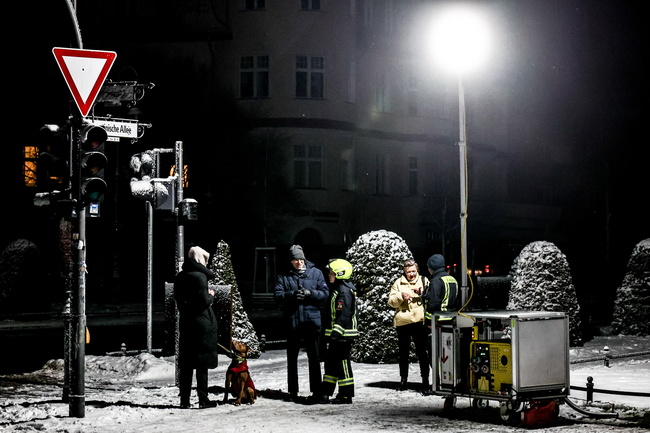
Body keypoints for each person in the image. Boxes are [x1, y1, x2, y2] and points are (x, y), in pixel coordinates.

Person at [274, 245, 329, 402]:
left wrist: (310, 293)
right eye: (295, 260)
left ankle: (316, 391)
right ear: (291, 261)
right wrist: (291, 295)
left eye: (300, 259)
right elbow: (277, 295)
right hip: (293, 322)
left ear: (304, 259)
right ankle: (293, 391)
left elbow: (325, 293)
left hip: (311, 323)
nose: (298, 263)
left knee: (314, 358)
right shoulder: (284, 276)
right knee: (292, 359)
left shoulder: (316, 273)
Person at [173, 246, 219, 409]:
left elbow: (179, 300)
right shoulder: (200, 277)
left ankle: (184, 400)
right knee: (201, 363)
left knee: (186, 363)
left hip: (186, 322)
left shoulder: (180, 276)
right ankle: (203, 399)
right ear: (200, 259)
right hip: (201, 323)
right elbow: (203, 301)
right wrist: (211, 296)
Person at [387, 258, 430, 392]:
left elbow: (431, 297)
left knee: (422, 352)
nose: (411, 274)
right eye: (408, 272)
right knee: (403, 353)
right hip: (403, 322)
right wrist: (401, 296)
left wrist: (421, 293)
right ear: (404, 272)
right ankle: (403, 380)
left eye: (413, 271)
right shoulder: (398, 283)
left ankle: (425, 381)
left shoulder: (424, 281)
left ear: (417, 270)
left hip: (419, 321)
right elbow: (391, 302)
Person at [319, 258, 358, 404]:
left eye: (332, 272)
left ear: (340, 274)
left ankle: (346, 395)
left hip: (343, 335)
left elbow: (344, 315)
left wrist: (336, 333)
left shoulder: (344, 291)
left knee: (342, 364)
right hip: (338, 335)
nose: (329, 275)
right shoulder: (339, 289)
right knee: (331, 363)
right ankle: (326, 392)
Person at [424, 254, 460, 320]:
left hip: (437, 319)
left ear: (432, 268)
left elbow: (434, 302)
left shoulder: (436, 280)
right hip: (451, 316)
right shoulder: (452, 279)